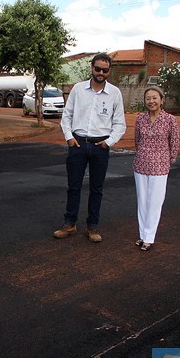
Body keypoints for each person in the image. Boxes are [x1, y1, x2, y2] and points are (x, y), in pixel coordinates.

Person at [54, 53, 126, 243]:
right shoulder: (78, 89)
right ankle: (69, 224)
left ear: (109, 71)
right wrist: (69, 138)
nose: (101, 72)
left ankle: (92, 226)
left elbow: (120, 124)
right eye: (98, 68)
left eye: (105, 70)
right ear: (91, 67)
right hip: (77, 144)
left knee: (97, 188)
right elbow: (66, 116)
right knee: (74, 187)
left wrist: (108, 142)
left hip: (100, 146)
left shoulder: (114, 94)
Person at [133, 86, 180, 251]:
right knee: (142, 202)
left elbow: (174, 142)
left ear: (162, 100)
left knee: (154, 202)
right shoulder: (140, 119)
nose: (151, 101)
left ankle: (149, 237)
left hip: (160, 166)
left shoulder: (170, 120)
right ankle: (142, 235)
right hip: (141, 164)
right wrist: (144, 155)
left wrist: (168, 160)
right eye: (148, 98)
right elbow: (137, 140)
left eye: (154, 98)